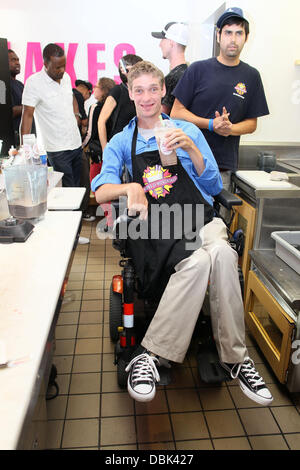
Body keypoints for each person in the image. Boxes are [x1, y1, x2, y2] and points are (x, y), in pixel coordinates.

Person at [91, 61, 273, 407]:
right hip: (156, 224)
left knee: (220, 252)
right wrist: (129, 186)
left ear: (163, 92)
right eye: (139, 90)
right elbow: (100, 192)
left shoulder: (188, 132)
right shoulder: (119, 141)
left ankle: (160, 357)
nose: (146, 98)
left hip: (197, 216)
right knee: (210, 256)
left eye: (153, 89)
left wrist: (190, 147)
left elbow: (214, 185)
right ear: (130, 94)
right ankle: (235, 359)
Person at [171, 7, 269, 192]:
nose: (233, 39)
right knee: (185, 219)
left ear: (246, 38)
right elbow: (176, 113)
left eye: (239, 33)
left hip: (222, 168)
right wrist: (210, 124)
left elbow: (251, 123)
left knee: (219, 221)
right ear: (218, 36)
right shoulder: (197, 70)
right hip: (187, 164)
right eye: (228, 32)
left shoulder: (252, 76)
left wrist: (230, 129)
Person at [21, 43, 89, 244]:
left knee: (81, 189)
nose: (62, 71)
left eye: (64, 66)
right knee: (67, 193)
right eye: (57, 67)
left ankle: (74, 233)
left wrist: (76, 113)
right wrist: (26, 150)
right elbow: (27, 116)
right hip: (57, 149)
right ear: (45, 63)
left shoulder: (66, 78)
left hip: (75, 143)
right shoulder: (34, 83)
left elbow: (71, 99)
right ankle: (69, 237)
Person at [97, 54, 143, 151]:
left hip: (138, 145)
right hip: (119, 147)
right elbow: (101, 121)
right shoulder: (118, 90)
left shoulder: (142, 92)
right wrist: (105, 149)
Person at [82, 77, 115, 182]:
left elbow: (90, 133)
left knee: (97, 184)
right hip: (114, 152)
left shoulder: (95, 107)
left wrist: (80, 146)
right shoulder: (115, 105)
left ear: (103, 90)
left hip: (99, 154)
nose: (93, 89)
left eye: (96, 86)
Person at [151, 22, 189, 115]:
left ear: (171, 42)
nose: (160, 44)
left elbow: (161, 115)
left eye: (163, 39)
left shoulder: (173, 78)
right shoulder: (188, 73)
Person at [72, 79, 95, 222]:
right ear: (87, 91)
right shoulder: (78, 96)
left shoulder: (68, 93)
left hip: (61, 145)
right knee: (83, 179)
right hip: (74, 145)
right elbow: (83, 120)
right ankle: (82, 212)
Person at [8, 49, 35, 146]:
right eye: (13, 60)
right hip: (14, 137)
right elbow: (8, 111)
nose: (17, 63)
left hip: (29, 136)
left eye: (18, 60)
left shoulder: (20, 84)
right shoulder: (2, 84)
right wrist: (31, 107)